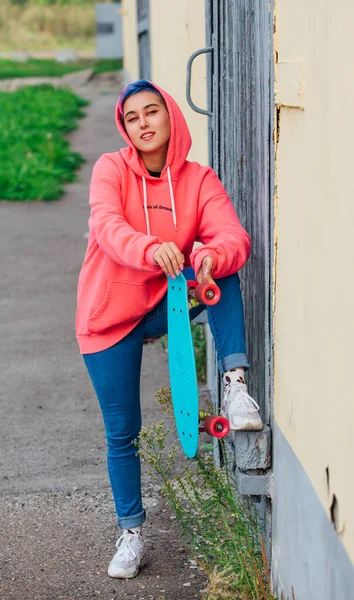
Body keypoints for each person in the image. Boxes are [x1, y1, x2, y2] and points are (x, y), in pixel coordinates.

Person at [76, 80, 263, 579]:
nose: (142, 123)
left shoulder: (198, 179)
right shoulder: (111, 169)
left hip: (166, 303)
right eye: (132, 117)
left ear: (169, 116)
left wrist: (206, 255)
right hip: (108, 315)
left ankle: (235, 388)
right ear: (124, 126)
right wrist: (148, 246)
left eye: (151, 112)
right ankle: (131, 534)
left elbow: (232, 236)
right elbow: (107, 226)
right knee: (124, 433)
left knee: (221, 268)